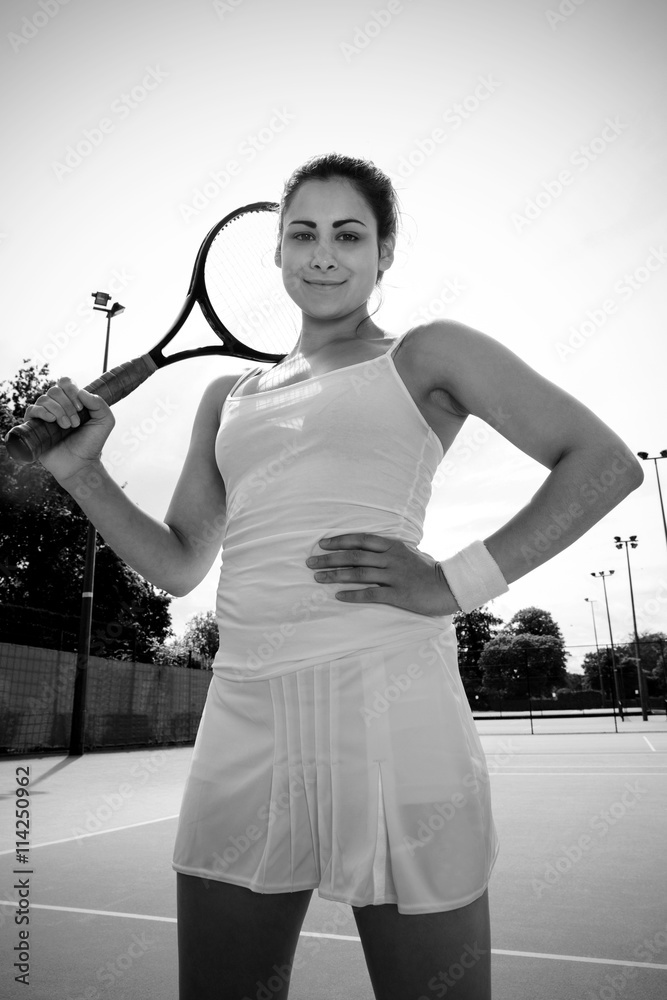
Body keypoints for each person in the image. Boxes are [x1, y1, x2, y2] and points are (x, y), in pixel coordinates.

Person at [25, 153, 644, 1000]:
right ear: (276, 254)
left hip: (393, 710)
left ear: (384, 253)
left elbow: (604, 465)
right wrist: (80, 472)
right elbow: (178, 565)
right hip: (245, 715)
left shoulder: (428, 353)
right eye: (302, 234)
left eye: (348, 235)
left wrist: (452, 583)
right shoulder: (226, 394)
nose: (323, 254)